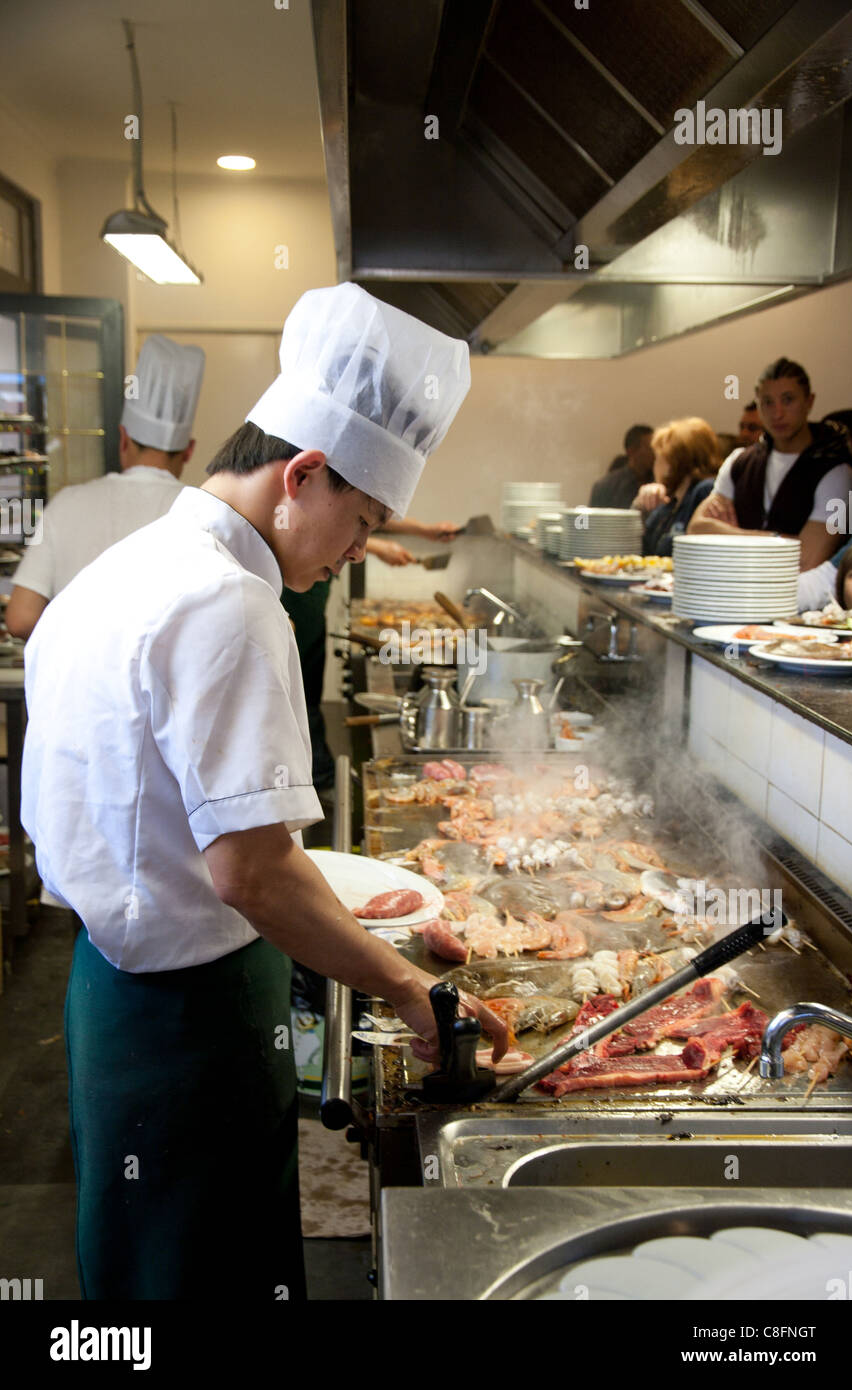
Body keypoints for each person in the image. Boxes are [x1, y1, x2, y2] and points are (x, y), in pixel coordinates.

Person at [20, 284, 507, 1301]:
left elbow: (211, 836)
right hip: (185, 1022)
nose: (353, 551)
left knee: (143, 1273)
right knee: (200, 1271)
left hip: (113, 988)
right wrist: (403, 985)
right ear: (302, 474)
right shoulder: (232, 604)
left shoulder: (131, 563)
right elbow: (248, 870)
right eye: (360, 521)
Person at [6, 334, 205, 639]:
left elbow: (20, 618)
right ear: (189, 450)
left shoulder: (66, 504)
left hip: (75, 685)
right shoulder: (201, 512)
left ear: (123, 438)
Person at [282, 516, 462, 792]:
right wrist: (376, 546)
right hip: (294, 601)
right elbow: (314, 523)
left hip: (311, 602)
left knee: (309, 693)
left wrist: (423, 529)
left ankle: (317, 776)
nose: (356, 553)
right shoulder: (304, 496)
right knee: (298, 695)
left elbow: (365, 511)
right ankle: (316, 779)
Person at [687, 357, 852, 571]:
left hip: (796, 598)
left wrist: (729, 535)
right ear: (758, 405)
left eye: (788, 400)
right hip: (729, 587)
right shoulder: (740, 461)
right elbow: (697, 530)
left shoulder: (835, 471)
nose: (777, 413)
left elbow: (806, 559)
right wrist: (779, 539)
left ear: (809, 402)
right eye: (767, 402)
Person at [634, 418, 720, 557]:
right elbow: (639, 548)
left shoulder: (705, 490)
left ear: (673, 460)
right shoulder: (669, 501)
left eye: (658, 458)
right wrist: (640, 505)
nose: (654, 465)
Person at [589, 424, 654, 508]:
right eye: (650, 448)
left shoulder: (659, 483)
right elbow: (595, 520)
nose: (654, 453)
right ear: (632, 451)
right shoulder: (606, 486)